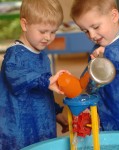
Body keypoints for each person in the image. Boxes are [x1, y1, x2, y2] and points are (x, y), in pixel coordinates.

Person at [71, 0, 119, 131]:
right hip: (108, 117)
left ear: (114, 16)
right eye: (85, 31)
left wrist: (109, 53)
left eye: (95, 27)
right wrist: (83, 84)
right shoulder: (98, 49)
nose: (92, 35)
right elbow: (92, 82)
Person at [0, 0, 69, 149]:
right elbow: (16, 77)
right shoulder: (15, 55)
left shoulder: (42, 55)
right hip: (20, 128)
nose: (48, 37)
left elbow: (43, 90)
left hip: (42, 124)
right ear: (25, 25)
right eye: (43, 31)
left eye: (53, 31)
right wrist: (46, 81)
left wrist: (57, 113)